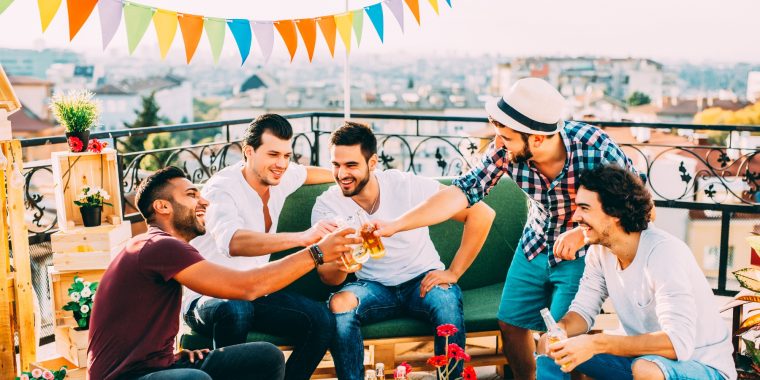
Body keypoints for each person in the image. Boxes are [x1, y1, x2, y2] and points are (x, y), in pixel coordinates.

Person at [374, 77, 639, 379]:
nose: (498, 143)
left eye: (506, 137)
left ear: (537, 139)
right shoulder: (506, 150)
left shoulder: (593, 148)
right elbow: (461, 192)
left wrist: (583, 233)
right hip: (536, 241)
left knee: (562, 338)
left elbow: (635, 200)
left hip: (582, 253)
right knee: (510, 323)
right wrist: (396, 226)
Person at [88, 166, 359, 380]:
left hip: (158, 366)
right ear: (163, 207)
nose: (203, 201)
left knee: (267, 357)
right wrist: (317, 252)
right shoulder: (158, 246)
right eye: (192, 194)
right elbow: (246, 287)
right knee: (194, 378)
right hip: (127, 377)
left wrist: (175, 358)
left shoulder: (162, 248)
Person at [312, 122, 495, 380]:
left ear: (372, 162)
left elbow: (481, 214)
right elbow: (327, 277)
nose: (342, 173)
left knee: (446, 301)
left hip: (423, 278)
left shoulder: (405, 185)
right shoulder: (327, 206)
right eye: (335, 165)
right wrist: (342, 266)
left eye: (351, 165)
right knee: (339, 303)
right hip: (372, 286)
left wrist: (454, 272)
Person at [536, 165, 736, 380]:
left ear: (615, 213)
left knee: (645, 369)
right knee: (551, 348)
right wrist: (561, 330)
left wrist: (596, 343)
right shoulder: (599, 251)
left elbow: (678, 344)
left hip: (701, 365)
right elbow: (583, 311)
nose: (576, 216)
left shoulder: (664, 253)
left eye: (585, 208)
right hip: (641, 360)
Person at [182, 114, 337, 380]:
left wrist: (352, 175)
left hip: (256, 290)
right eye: (273, 154)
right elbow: (232, 241)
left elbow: (308, 173)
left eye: (287, 156)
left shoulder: (280, 176)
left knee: (322, 320)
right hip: (207, 297)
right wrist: (304, 238)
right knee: (236, 307)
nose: (282, 164)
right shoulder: (222, 189)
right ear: (249, 152)